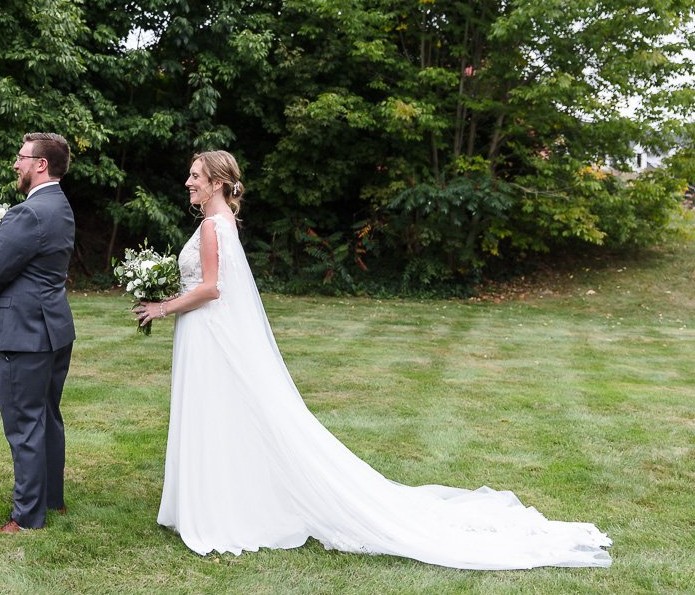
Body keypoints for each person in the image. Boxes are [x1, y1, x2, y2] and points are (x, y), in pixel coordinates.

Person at [132, 150, 612, 569]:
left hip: (210, 335)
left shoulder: (215, 226)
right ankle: (219, 500)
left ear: (217, 182)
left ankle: (221, 510)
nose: (189, 182)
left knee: (220, 416)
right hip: (208, 336)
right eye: (191, 176)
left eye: (196, 175)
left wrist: (161, 306)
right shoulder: (220, 223)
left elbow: (213, 288)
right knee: (223, 418)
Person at [0, 132, 75, 534]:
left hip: (24, 333)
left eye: (21, 157)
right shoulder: (61, 206)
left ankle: (28, 517)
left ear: (41, 164)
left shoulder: (28, 213)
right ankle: (51, 499)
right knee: (47, 415)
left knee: (25, 422)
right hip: (53, 329)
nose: (16, 163)